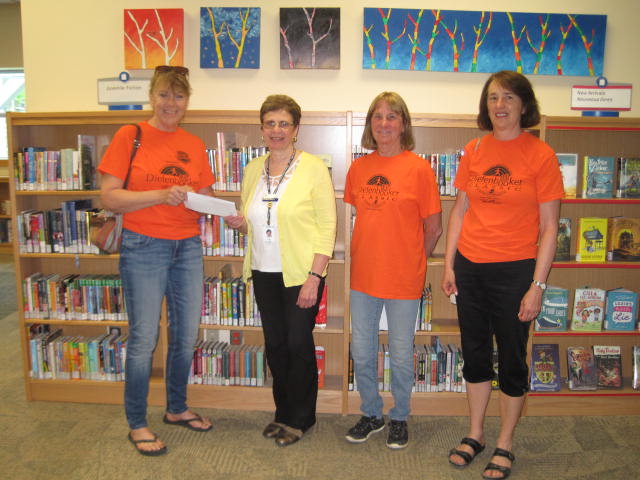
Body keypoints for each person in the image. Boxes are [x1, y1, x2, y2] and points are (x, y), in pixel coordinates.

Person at [441, 71, 563, 479]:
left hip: (515, 271)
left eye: (509, 98)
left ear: (524, 106)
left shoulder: (540, 155)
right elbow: (460, 210)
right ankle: (475, 433)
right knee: (475, 355)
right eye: (493, 98)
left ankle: (505, 441)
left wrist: (537, 287)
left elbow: (549, 228)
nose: (500, 105)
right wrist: (448, 263)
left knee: (511, 358)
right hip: (471, 267)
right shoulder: (474, 149)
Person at [98, 65, 214, 456]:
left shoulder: (194, 145)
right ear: (152, 96)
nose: (171, 103)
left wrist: (207, 209)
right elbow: (111, 198)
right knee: (145, 338)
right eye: (164, 95)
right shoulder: (130, 136)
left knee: (185, 336)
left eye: (178, 96)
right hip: (143, 245)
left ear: (187, 102)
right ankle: (137, 421)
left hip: (188, 248)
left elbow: (204, 197)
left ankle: (177, 408)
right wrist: (161, 194)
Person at [224, 94, 336, 447]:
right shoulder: (252, 169)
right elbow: (255, 223)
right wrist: (239, 224)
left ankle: (302, 418)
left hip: (300, 274)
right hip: (263, 271)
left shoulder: (314, 167)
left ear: (296, 129)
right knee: (275, 345)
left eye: (284, 123)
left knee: (298, 343)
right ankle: (282, 413)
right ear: (261, 129)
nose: (277, 130)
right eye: (270, 123)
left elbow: (327, 227)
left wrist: (314, 277)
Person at [344, 91, 442, 449]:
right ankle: (371, 412)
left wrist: (415, 258)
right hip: (364, 277)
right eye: (378, 117)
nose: (384, 123)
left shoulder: (420, 169)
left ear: (403, 124)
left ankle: (400, 416)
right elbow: (359, 218)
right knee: (363, 350)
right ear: (371, 124)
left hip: (404, 279)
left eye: (391, 116)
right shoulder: (359, 169)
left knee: (401, 353)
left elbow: (434, 228)